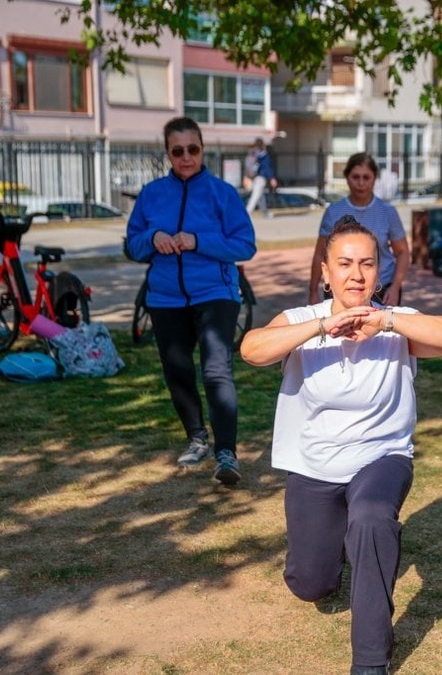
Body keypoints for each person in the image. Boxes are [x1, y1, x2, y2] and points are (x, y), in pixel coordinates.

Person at [240, 217, 442, 675]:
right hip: (315, 465)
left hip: (383, 456)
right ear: (325, 272)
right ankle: (337, 551)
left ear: (379, 273)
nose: (356, 275)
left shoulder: (398, 324)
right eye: (344, 264)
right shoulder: (304, 321)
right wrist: (323, 326)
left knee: (371, 518)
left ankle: (371, 660)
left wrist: (384, 322)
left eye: (366, 264)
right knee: (310, 584)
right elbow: (252, 350)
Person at [125, 116, 257, 486]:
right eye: (178, 151)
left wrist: (198, 240)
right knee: (177, 371)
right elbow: (131, 246)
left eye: (193, 150)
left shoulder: (222, 194)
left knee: (216, 370)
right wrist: (152, 238)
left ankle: (226, 453)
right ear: (167, 153)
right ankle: (196, 437)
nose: (186, 157)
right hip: (165, 297)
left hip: (215, 293)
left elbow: (245, 244)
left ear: (203, 149)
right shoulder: (151, 195)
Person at [308, 153, 410, 306]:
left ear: (374, 178)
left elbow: (402, 252)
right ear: (347, 178)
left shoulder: (387, 212)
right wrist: (313, 290)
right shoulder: (333, 212)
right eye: (355, 177)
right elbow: (320, 254)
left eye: (366, 177)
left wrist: (395, 287)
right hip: (342, 288)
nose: (361, 183)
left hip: (380, 289)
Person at [243, 137, 278, 218]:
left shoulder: (252, 153)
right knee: (256, 195)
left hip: (253, 177)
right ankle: (247, 212)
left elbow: (248, 165)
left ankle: (265, 213)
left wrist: (246, 176)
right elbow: (267, 167)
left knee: (260, 196)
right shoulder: (264, 155)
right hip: (261, 177)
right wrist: (272, 178)